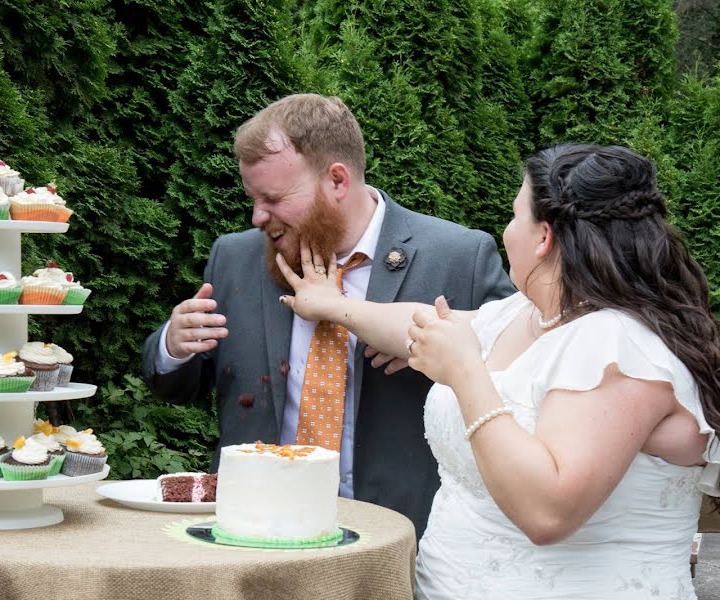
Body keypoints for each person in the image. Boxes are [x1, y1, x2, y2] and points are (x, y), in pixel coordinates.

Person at [277, 143, 720, 599]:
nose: (506, 231)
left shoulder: (618, 344)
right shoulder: (522, 314)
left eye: (513, 216)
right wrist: (333, 305)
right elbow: (417, 323)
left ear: (544, 237)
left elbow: (548, 513)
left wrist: (465, 372)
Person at [141, 93, 515, 537]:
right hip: (253, 531)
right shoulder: (234, 257)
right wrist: (173, 346)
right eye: (253, 198)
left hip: (401, 534)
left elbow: (522, 369)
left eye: (274, 198)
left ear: (337, 180)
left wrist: (443, 352)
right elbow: (178, 384)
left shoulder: (457, 257)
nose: (259, 216)